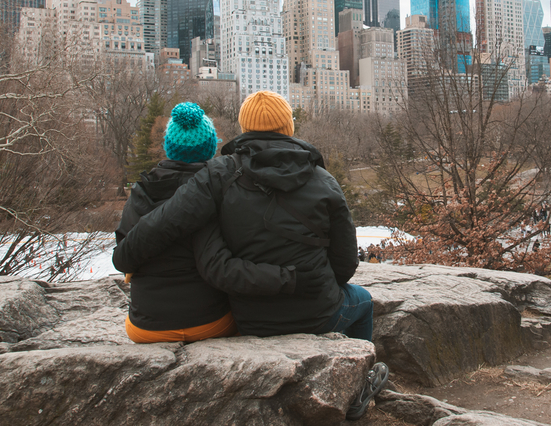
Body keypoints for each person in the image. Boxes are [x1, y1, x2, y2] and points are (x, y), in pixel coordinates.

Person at [113, 91, 373, 341]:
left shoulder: (218, 174)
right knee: (364, 302)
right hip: (319, 310)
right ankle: (363, 372)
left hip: (249, 318)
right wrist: (316, 285)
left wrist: (125, 256)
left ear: (244, 127)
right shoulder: (324, 179)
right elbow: (346, 261)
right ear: (288, 127)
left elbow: (169, 220)